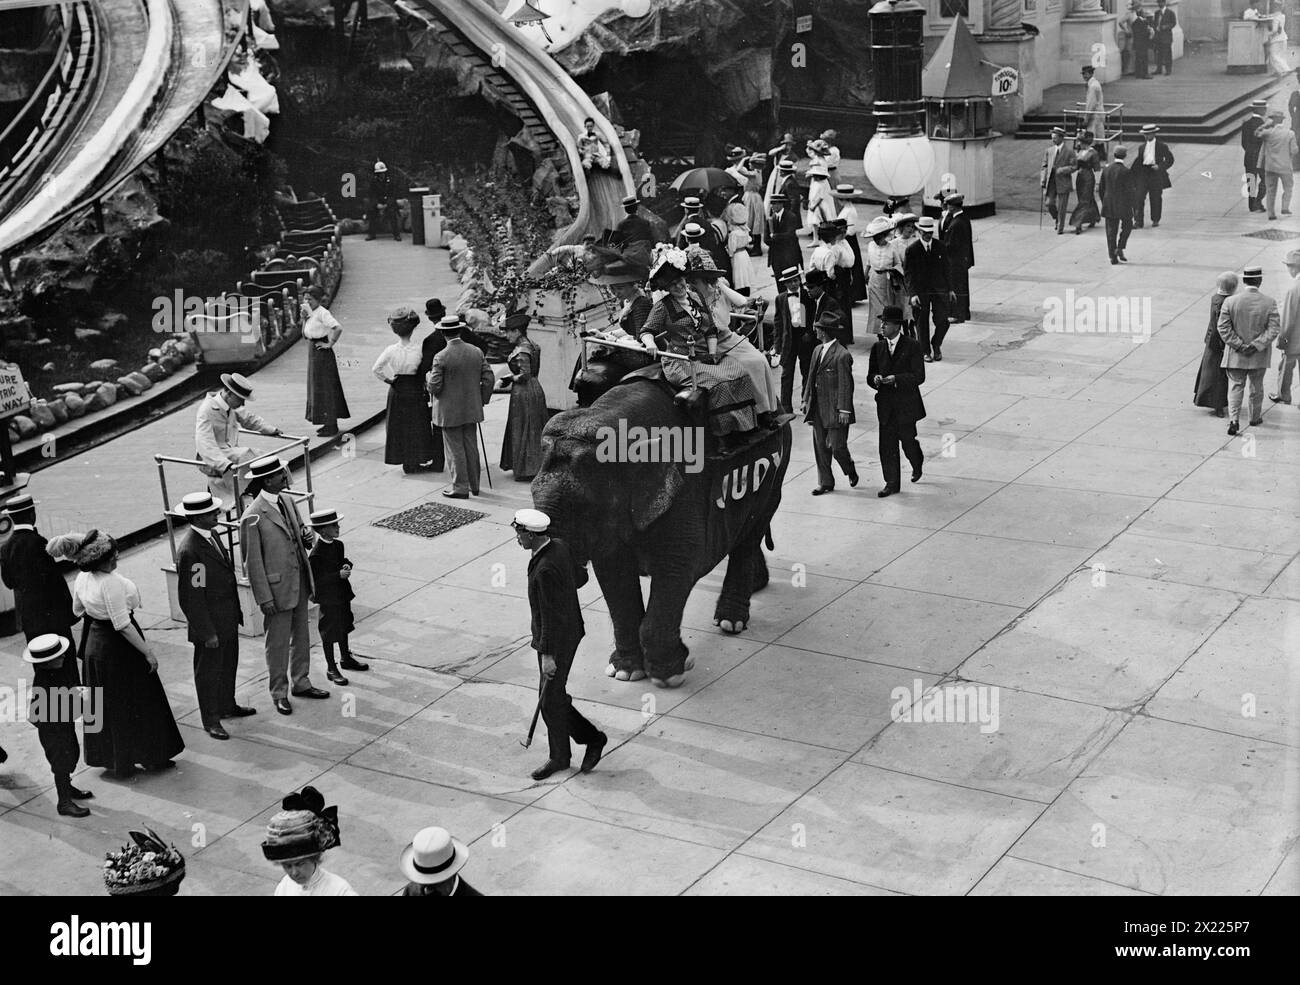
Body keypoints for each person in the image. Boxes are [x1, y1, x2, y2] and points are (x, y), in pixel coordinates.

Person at [47, 529, 184, 777]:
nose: (115, 559)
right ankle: (151, 756)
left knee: (107, 705)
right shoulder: (110, 583)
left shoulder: (81, 578)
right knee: (140, 701)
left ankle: (118, 760)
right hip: (119, 648)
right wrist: (148, 652)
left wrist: (96, 610)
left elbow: (77, 611)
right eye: (111, 556)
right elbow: (122, 624)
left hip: (94, 645)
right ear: (102, 559)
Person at [514, 508, 606, 781]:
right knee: (553, 699)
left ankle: (591, 739)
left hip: (557, 641)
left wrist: (548, 656)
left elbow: (550, 617)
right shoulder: (559, 548)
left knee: (550, 700)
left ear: (531, 534)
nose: (517, 538)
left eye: (519, 534)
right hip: (569, 632)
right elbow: (581, 578)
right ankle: (561, 756)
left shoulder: (544, 569)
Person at [240, 456, 329, 715]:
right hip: (276, 590)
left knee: (301, 636)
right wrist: (263, 597)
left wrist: (307, 537)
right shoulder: (253, 515)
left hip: (299, 581)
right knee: (277, 643)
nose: (286, 477)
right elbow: (252, 562)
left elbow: (301, 532)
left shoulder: (288, 501)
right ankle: (279, 692)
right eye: (281, 474)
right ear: (267, 480)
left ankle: (301, 681)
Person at [174, 491, 252, 741]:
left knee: (228, 664)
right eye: (210, 513)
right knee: (208, 673)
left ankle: (227, 704)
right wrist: (207, 632)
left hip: (226, 617)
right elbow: (192, 597)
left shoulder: (212, 536)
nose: (216, 515)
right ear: (196, 518)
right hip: (211, 624)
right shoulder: (191, 551)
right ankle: (211, 719)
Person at [687, 252, 781, 422]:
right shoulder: (690, 297)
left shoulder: (718, 289)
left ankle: (765, 408)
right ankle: (752, 411)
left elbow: (742, 302)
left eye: (709, 278)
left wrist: (720, 285)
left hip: (728, 338)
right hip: (705, 343)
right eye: (700, 280)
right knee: (747, 366)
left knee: (759, 361)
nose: (704, 283)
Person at [23, 633, 92, 817]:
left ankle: (67, 788)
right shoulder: (44, 683)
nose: (63, 657)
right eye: (57, 656)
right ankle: (64, 802)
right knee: (61, 762)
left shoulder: (55, 673)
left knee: (70, 756)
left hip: (62, 726)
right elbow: (33, 715)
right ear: (45, 662)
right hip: (53, 730)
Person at [429, 314, 495, 498]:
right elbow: (489, 378)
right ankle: (475, 486)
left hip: (449, 412)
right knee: (471, 447)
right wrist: (481, 399)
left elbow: (435, 386)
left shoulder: (441, 357)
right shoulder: (476, 351)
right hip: (471, 408)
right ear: (459, 330)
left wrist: (428, 377)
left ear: (443, 333)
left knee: (455, 450)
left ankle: (460, 487)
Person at [194, 372, 283, 506]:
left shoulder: (231, 405)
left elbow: (249, 419)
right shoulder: (207, 410)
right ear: (229, 393)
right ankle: (260, 506)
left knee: (263, 462)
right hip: (214, 459)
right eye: (240, 399)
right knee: (250, 455)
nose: (243, 403)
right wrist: (224, 464)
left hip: (231, 454)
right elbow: (205, 444)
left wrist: (270, 429)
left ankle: (268, 500)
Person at [867, 306, 926, 498]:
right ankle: (891, 483)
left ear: (897, 326)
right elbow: (870, 374)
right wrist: (875, 379)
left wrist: (896, 379)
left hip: (906, 405)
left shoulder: (912, 346)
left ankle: (916, 463)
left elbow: (919, 376)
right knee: (887, 446)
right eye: (882, 322)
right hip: (886, 406)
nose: (882, 326)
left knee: (908, 441)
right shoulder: (878, 347)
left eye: (885, 323)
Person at [374, 306, 440, 474]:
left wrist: (389, 380)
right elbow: (426, 369)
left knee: (399, 426)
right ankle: (415, 460)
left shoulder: (391, 349)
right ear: (413, 328)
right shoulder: (418, 349)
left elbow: (376, 369)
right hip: (414, 388)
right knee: (416, 425)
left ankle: (404, 460)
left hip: (397, 388)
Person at [307, 507, 367, 686]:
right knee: (329, 630)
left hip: (341, 594)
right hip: (328, 598)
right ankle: (331, 667)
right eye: (334, 525)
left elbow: (342, 560)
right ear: (323, 530)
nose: (338, 527)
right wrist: (337, 575)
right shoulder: (316, 554)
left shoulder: (338, 545)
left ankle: (345, 657)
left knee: (344, 625)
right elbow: (316, 580)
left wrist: (347, 565)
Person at [1218, 265, 1281, 435]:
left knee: (1235, 387)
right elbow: (1273, 329)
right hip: (1258, 356)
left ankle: (1234, 420)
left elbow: (1223, 328)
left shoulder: (1230, 301)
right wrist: (1256, 345)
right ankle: (1254, 417)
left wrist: (1239, 345)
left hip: (1236, 355)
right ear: (1259, 281)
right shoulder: (1269, 302)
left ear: (1244, 281)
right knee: (1256, 387)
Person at [263, 786, 357, 896]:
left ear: (314, 858)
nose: (294, 872)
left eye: (300, 864)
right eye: (287, 866)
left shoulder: (339, 891)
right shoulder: (285, 887)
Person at [803, 312, 858, 496]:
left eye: (818, 328)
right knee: (820, 446)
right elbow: (810, 377)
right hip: (818, 407)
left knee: (837, 447)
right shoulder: (817, 350)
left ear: (824, 331)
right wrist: (805, 399)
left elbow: (846, 385)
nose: (815, 330)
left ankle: (849, 468)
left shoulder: (842, 355)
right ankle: (825, 482)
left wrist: (844, 409)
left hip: (835, 410)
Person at [499, 310, 547, 482]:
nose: (506, 336)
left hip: (524, 391)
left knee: (524, 427)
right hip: (533, 388)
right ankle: (534, 465)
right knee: (532, 426)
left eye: (508, 332)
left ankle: (528, 468)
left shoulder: (522, 350)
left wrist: (509, 378)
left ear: (517, 331)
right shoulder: (531, 344)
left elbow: (524, 375)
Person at [301, 285, 349, 437]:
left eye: (310, 299)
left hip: (322, 351)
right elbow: (305, 334)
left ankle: (331, 424)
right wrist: (304, 319)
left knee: (325, 386)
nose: (307, 302)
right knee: (316, 386)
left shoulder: (322, 312)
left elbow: (338, 327)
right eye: (305, 299)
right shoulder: (310, 313)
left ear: (318, 299)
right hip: (312, 349)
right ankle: (325, 421)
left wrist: (330, 343)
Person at [904, 217, 954, 363]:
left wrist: (950, 289)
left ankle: (936, 344)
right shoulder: (912, 250)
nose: (928, 235)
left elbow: (947, 269)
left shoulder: (940, 246)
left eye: (930, 232)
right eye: (925, 232)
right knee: (921, 322)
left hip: (939, 290)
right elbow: (909, 274)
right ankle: (925, 351)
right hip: (920, 292)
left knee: (943, 320)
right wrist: (912, 294)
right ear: (919, 231)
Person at [1194, 271, 1237, 417]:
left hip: (1212, 341)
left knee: (1210, 373)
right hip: (1220, 343)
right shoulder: (1227, 302)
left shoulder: (1215, 298)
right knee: (1218, 376)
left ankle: (1211, 401)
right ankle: (1218, 404)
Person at [774, 266, 814, 414]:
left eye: (796, 281)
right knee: (786, 374)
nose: (793, 284)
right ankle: (786, 406)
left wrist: (809, 332)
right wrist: (777, 345)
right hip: (789, 341)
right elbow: (778, 323)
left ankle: (806, 403)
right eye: (790, 282)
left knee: (806, 372)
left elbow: (812, 316)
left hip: (805, 339)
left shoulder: (807, 295)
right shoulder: (781, 298)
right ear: (785, 284)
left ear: (800, 281)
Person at [400, 826, 483, 896]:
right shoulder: (411, 891)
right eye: (423, 882)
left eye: (436, 883)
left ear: (451, 874)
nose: (427, 891)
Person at [864, 214, 905, 331]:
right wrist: (865, 275)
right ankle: (878, 331)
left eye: (878, 237)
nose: (876, 240)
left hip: (887, 280)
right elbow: (868, 262)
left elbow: (898, 263)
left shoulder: (891, 247)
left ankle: (887, 330)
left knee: (886, 307)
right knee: (875, 308)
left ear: (884, 235)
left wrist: (893, 271)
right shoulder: (871, 246)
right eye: (874, 237)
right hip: (874, 279)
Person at [1256, 111, 1298, 220]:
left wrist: (1264, 125)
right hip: (1285, 167)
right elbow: (1294, 151)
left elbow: (1256, 133)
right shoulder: (1290, 133)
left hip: (1270, 167)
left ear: (1272, 120)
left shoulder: (1268, 133)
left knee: (1270, 190)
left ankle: (1271, 214)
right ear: (1282, 120)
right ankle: (1285, 207)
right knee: (1288, 188)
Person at [1271, 250, 1300, 404]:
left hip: (1295, 340)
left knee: (1285, 367)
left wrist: (1282, 339)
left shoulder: (1294, 289)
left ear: (1293, 267)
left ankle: (1283, 395)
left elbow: (1288, 319)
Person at [1131, 124, 1174, 228]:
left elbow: (1170, 159)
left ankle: (1155, 219)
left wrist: (1160, 167)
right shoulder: (1141, 147)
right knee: (1139, 197)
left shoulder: (1162, 146)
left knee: (1155, 198)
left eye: (1148, 134)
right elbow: (1139, 161)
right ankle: (1138, 221)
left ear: (1154, 134)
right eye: (1145, 134)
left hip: (1155, 174)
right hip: (1143, 173)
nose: (1146, 136)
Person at [939, 193, 973, 321]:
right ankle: (964, 312)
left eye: (948, 205)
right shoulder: (963, 219)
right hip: (962, 261)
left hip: (955, 262)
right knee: (962, 287)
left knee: (956, 287)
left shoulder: (956, 224)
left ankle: (958, 314)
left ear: (952, 207)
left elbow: (950, 245)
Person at [1100, 145, 1135, 265]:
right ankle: (1120, 246)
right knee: (1128, 225)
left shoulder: (1106, 169)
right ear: (1125, 156)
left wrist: (1105, 201)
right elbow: (1130, 190)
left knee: (1110, 231)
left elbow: (1101, 189)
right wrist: (1132, 206)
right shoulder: (1126, 171)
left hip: (1109, 204)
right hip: (1123, 205)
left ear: (1114, 155)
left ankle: (1112, 257)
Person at [834, 183, 868, 304]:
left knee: (851, 265)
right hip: (843, 238)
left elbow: (851, 230)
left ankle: (853, 295)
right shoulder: (846, 209)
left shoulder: (850, 211)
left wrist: (839, 234)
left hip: (849, 240)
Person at [1041, 126, 1076, 234]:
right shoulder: (1049, 150)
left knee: (1062, 206)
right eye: (1052, 137)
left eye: (1055, 138)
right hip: (1051, 182)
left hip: (1063, 182)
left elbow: (1074, 166)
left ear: (1061, 138)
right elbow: (1044, 166)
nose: (1053, 140)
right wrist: (1043, 179)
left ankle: (1060, 227)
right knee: (1049, 203)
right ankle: (1056, 218)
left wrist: (1063, 170)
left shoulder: (1069, 151)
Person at [1071, 131, 1102, 234]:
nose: (1079, 143)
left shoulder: (1093, 153)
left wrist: (1097, 183)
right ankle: (1094, 217)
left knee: (1084, 200)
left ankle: (1077, 223)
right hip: (1079, 177)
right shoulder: (1079, 151)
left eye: (1081, 142)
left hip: (1088, 177)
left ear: (1086, 143)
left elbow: (1097, 169)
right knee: (1087, 198)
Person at [724, 193, 755, 294]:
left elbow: (731, 250)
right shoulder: (745, 231)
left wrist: (729, 252)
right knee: (745, 276)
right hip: (744, 254)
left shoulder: (733, 234)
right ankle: (747, 292)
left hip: (737, 256)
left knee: (739, 277)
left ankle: (741, 293)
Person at [765, 193, 802, 275]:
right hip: (775, 257)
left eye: (774, 203)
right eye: (771, 203)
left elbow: (790, 235)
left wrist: (775, 237)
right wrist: (773, 239)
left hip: (789, 256)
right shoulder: (771, 219)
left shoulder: (791, 217)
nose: (772, 206)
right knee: (779, 281)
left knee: (792, 278)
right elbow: (766, 239)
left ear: (781, 204)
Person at [1243, 99, 1269, 214]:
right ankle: (1258, 202)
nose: (1266, 110)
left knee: (1251, 181)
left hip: (1249, 157)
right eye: (1264, 108)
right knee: (1266, 180)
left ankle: (1252, 204)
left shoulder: (1246, 123)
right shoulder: (1264, 125)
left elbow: (1244, 143)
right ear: (1259, 109)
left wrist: (1251, 152)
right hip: (1262, 158)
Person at [366, 161, 399, 241]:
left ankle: (396, 234)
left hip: (388, 202)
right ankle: (371, 234)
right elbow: (372, 195)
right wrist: (377, 204)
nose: (382, 175)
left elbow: (393, 195)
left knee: (392, 212)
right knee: (371, 211)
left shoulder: (390, 181)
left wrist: (387, 204)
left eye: (383, 173)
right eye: (380, 173)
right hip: (378, 202)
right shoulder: (373, 182)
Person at [804, 164, 837, 238]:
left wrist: (814, 205)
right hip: (813, 203)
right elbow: (812, 195)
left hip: (819, 205)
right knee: (814, 222)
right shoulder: (815, 184)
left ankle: (823, 235)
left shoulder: (822, 185)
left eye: (815, 176)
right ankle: (816, 236)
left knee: (820, 220)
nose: (814, 177)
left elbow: (821, 197)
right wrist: (810, 203)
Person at [1151, 0, 1176, 75]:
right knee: (1159, 53)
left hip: (1166, 36)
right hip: (1158, 36)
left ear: (1164, 3)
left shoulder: (1170, 13)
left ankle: (1168, 70)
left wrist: (1166, 27)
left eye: (1161, 2)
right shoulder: (1157, 13)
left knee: (1167, 54)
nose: (1159, 4)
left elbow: (1173, 23)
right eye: (1158, 2)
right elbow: (1155, 24)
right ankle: (1159, 69)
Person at [1081, 65, 1105, 142]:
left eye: (1086, 74)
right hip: (1097, 115)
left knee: (1092, 139)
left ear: (1091, 74)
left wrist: (1086, 119)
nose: (1084, 76)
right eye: (1083, 74)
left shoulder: (1093, 86)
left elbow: (1091, 104)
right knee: (1098, 138)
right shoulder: (1094, 83)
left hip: (1094, 116)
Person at [1117, 2, 1138, 75]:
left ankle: (1135, 69)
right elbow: (1120, 22)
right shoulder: (1129, 14)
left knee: (1135, 52)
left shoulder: (1138, 14)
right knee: (1129, 51)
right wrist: (1126, 30)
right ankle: (1128, 69)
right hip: (1131, 35)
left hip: (1138, 35)